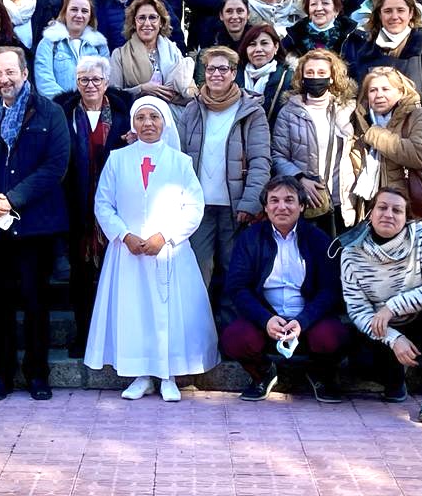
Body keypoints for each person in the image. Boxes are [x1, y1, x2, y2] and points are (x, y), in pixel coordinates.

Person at [85, 96, 218, 402]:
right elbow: (103, 203)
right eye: (141, 118)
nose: (147, 123)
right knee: (135, 312)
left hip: (169, 252)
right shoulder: (118, 159)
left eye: (154, 117)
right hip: (128, 253)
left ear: (165, 122)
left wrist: (165, 236)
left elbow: (194, 207)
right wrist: (124, 235)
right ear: (133, 123)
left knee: (169, 313)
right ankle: (142, 375)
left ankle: (168, 375)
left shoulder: (180, 162)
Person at [0, 47, 70, 401]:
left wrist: (12, 198)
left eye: (10, 72)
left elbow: (55, 166)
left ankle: (37, 375)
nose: (4, 79)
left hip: (34, 226)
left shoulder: (50, 113)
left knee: (36, 303)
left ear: (25, 73)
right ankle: (1, 375)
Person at [221, 176, 350, 403]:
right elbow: (237, 287)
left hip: (308, 320)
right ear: (265, 207)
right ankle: (262, 374)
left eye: (289, 200)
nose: (281, 207)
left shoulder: (318, 239)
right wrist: (265, 319)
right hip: (266, 320)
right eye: (274, 200)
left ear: (302, 206)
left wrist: (303, 321)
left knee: (332, 337)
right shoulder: (250, 238)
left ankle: (320, 374)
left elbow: (330, 289)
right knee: (235, 338)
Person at [340, 188, 422, 423]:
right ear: (370, 213)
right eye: (382, 207)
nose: (388, 214)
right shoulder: (351, 251)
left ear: (407, 218)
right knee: (354, 346)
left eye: (397, 210)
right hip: (381, 329)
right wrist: (393, 338)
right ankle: (393, 380)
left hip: (420, 322)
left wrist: (391, 307)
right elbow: (357, 310)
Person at [178, 46, 271, 324]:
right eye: (210, 69)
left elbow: (260, 160)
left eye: (223, 69)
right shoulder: (192, 109)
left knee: (234, 271)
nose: (216, 74)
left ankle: (231, 331)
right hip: (198, 207)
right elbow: (179, 156)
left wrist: (251, 202)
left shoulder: (251, 111)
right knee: (198, 270)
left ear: (234, 73)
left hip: (236, 208)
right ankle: (199, 331)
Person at [54, 57, 133, 358]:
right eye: (84, 80)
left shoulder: (125, 114)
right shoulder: (64, 113)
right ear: (76, 83)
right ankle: (84, 334)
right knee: (81, 275)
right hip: (76, 203)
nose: (90, 85)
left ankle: (116, 335)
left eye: (96, 79)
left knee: (117, 274)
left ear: (106, 82)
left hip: (117, 207)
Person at [343, 0, 422, 148]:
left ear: (411, 13)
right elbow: (358, 99)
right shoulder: (365, 51)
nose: (394, 16)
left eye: (400, 10)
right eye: (388, 11)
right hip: (376, 141)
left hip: (420, 138)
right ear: (379, 15)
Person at [272, 49, 357, 238]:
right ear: (302, 77)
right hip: (305, 199)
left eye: (321, 73)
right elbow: (277, 155)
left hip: (342, 197)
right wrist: (300, 179)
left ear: (332, 77)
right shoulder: (289, 112)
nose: (315, 77)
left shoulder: (348, 110)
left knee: (338, 252)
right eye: (309, 73)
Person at [350, 67, 422, 217]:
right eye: (373, 90)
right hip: (370, 208)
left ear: (401, 92)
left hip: (409, 208)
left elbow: (421, 155)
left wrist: (375, 134)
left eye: (386, 89)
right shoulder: (361, 122)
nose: (379, 95)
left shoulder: (418, 115)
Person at [109, 0, 193, 112]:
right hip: (134, 117)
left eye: (153, 17)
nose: (147, 23)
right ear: (134, 23)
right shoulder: (119, 55)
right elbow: (113, 96)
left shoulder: (174, 52)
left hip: (173, 117)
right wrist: (141, 89)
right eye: (141, 18)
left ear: (161, 23)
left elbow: (188, 94)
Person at [34, 0, 110, 98]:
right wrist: (69, 103)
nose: (79, 15)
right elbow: (45, 83)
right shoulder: (49, 43)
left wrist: (88, 103)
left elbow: (106, 79)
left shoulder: (99, 45)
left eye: (84, 11)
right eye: (74, 9)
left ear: (90, 16)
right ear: (64, 13)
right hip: (59, 106)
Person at [280, 0, 357, 59]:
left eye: (325, 3)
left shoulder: (351, 37)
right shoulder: (294, 35)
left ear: (336, 10)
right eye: (313, 4)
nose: (319, 8)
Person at [238, 24, 293, 124]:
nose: (258, 49)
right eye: (252, 44)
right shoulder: (233, 75)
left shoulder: (287, 78)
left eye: (264, 43)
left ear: (276, 47)